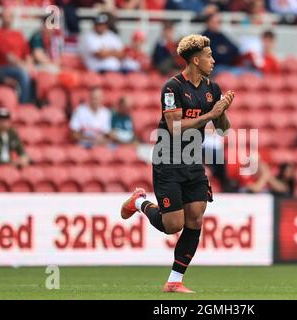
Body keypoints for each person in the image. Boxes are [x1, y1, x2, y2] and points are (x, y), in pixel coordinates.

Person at [120, 34, 234, 293]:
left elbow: (224, 130)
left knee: (195, 218)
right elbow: (173, 127)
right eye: (208, 56)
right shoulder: (172, 88)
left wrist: (222, 111)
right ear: (195, 60)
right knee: (173, 225)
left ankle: (174, 281)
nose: (213, 60)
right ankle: (139, 202)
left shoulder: (212, 89)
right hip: (168, 160)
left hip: (194, 161)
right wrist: (210, 113)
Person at [0, 9, 34, 103]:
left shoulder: (18, 34)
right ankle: (24, 103)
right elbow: (8, 56)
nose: (7, 19)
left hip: (18, 67)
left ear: (12, 18)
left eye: (9, 17)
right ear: (1, 19)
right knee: (23, 74)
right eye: (5, 17)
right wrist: (23, 65)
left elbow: (27, 53)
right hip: (2, 68)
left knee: (36, 73)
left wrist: (30, 65)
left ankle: (35, 103)